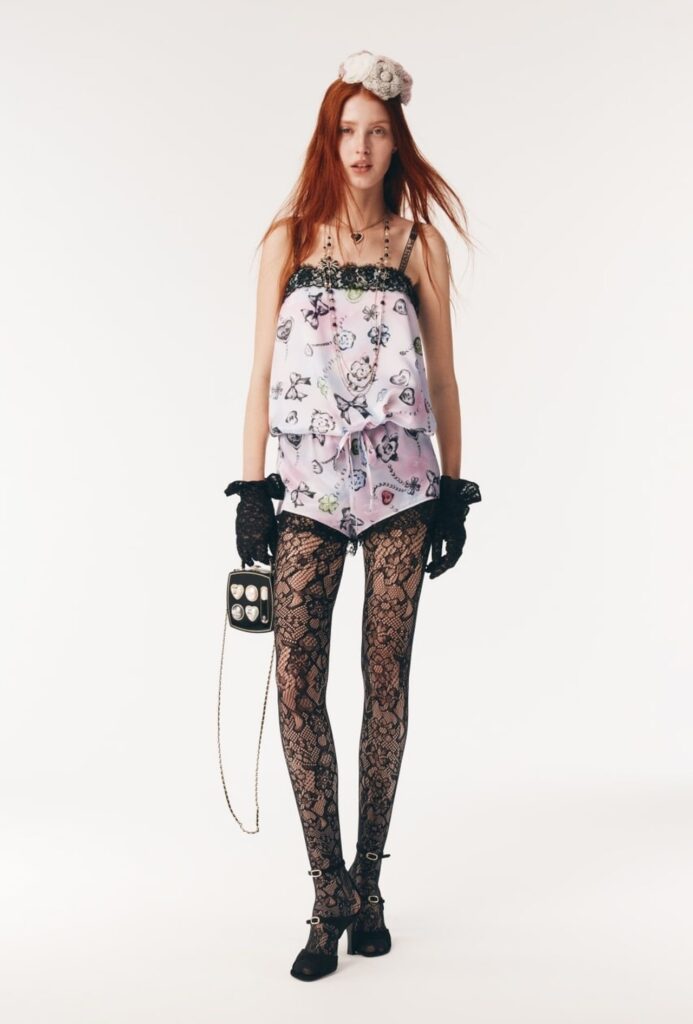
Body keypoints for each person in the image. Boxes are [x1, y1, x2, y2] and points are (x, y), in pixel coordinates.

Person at [224, 50, 482, 981]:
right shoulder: (288, 238)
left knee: (385, 682)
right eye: (347, 130)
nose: (361, 146)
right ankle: (326, 888)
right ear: (327, 140)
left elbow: (443, 378)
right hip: (307, 487)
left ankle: (368, 883)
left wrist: (453, 489)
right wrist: (252, 487)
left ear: (396, 140)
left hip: (402, 488)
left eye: (377, 130)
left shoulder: (419, 248)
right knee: (296, 680)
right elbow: (260, 372)